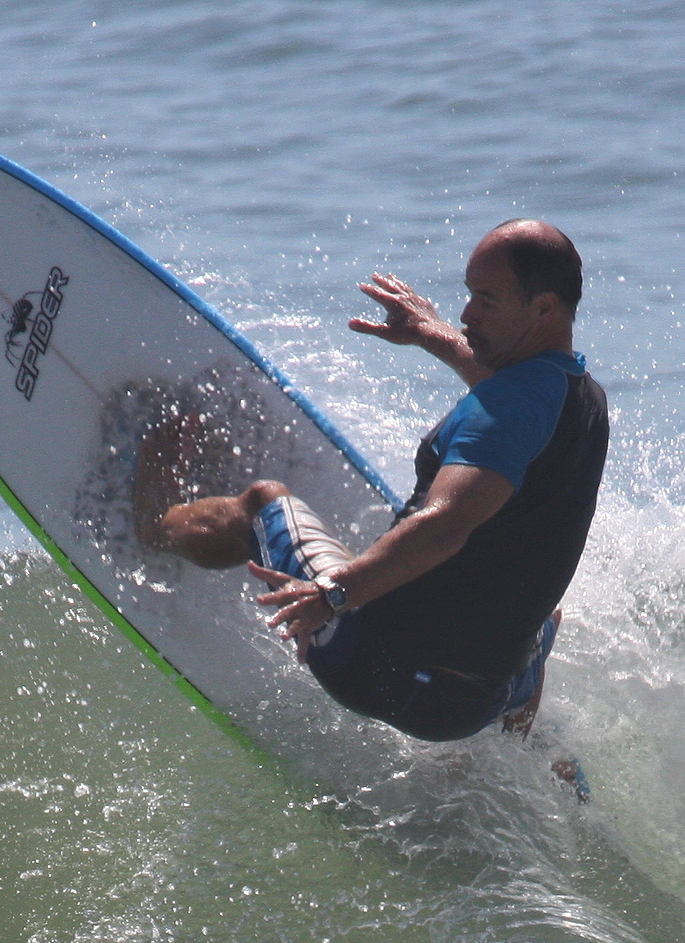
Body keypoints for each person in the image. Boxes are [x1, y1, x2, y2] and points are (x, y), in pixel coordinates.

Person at [134, 219, 608, 742]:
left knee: (262, 500)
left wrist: (333, 594)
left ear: (543, 308)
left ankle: (155, 525)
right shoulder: (580, 398)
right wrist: (430, 333)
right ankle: (520, 748)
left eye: (487, 302)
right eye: (469, 296)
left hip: (373, 667)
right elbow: (507, 394)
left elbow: (446, 523)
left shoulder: (510, 408)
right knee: (542, 616)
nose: (467, 314)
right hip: (470, 704)